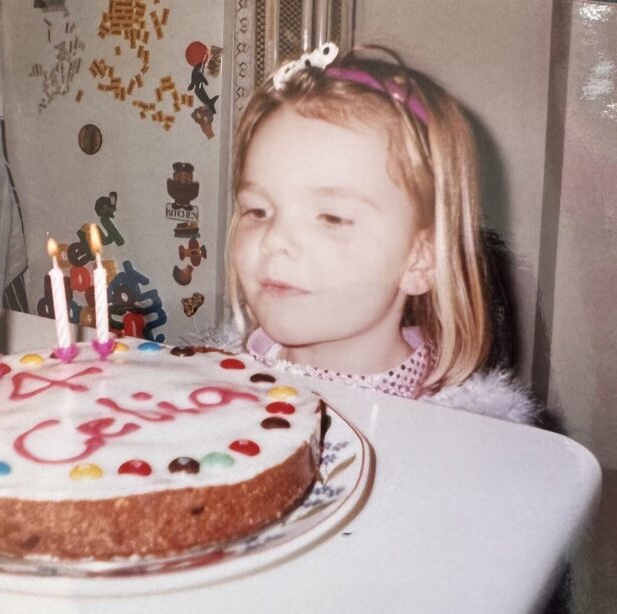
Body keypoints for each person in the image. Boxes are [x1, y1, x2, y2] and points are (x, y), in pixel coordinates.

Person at [226, 43, 538, 424]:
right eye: (258, 210)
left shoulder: (459, 434)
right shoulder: (214, 384)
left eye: (331, 217)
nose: (273, 239)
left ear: (421, 258)